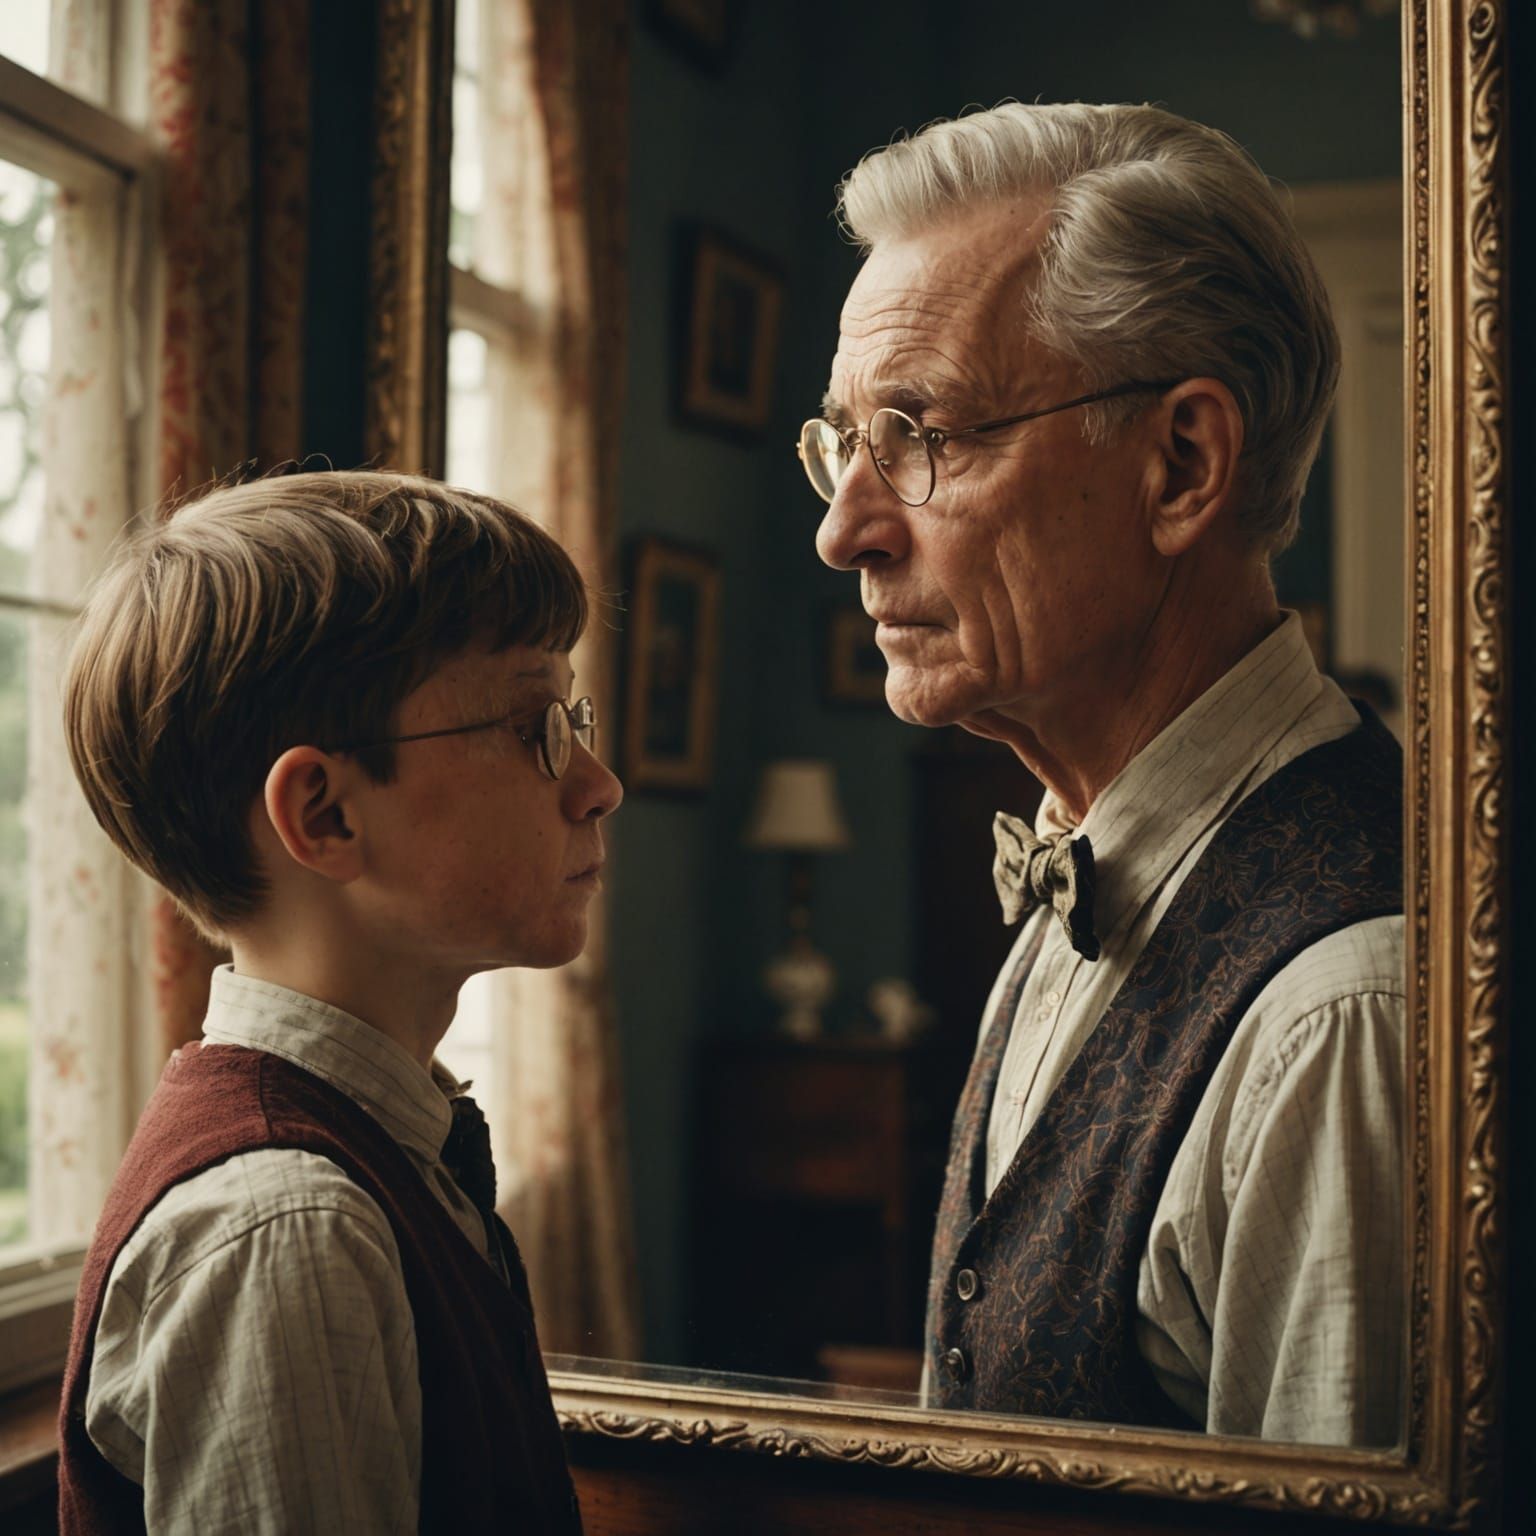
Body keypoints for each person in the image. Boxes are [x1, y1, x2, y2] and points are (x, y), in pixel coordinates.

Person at [804, 103, 1403, 1447]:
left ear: (1182, 463)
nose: (846, 529)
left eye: (920, 432)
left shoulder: (1343, 1013)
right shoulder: (1091, 850)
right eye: (841, 440)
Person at [56, 471, 620, 1531]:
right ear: (323, 813)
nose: (596, 782)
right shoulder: (289, 1229)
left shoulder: (387, 1147)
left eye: (575, 717)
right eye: (533, 727)